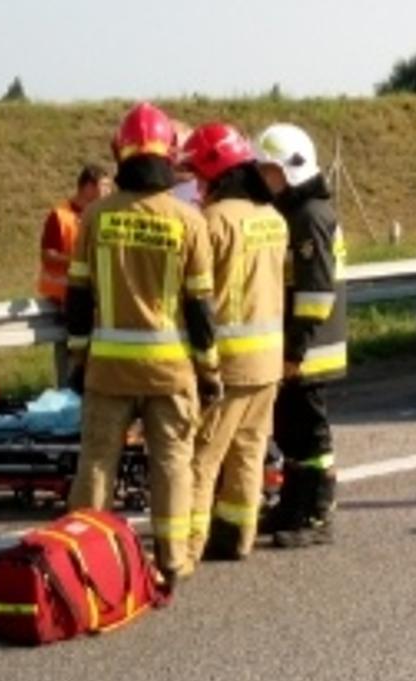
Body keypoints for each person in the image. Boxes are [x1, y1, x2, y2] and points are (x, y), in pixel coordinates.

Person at [67, 102, 221, 590]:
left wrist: (78, 358)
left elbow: (78, 297)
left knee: (97, 462)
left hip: (108, 370)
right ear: (170, 156)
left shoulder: (95, 216)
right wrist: (209, 370)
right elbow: (200, 308)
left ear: (120, 153)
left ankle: (83, 561)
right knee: (172, 463)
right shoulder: (189, 221)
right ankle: (171, 560)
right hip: (170, 371)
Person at [179, 123, 287, 563]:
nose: (196, 186)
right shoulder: (274, 219)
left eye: (198, 176)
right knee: (248, 453)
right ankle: (236, 537)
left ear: (216, 173)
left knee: (202, 458)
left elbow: (196, 295)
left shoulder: (213, 222)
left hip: (227, 364)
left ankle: (185, 548)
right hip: (268, 362)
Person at [256, 123, 349, 547]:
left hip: (311, 349)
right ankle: (292, 508)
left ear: (291, 169)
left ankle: (316, 516)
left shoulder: (310, 216)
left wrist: (295, 350)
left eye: (270, 171)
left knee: (312, 435)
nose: (264, 178)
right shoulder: (294, 212)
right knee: (290, 431)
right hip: (298, 346)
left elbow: (315, 292)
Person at [38, 164, 111, 385]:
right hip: (64, 298)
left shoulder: (100, 216)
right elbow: (48, 255)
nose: (109, 191)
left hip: (93, 297)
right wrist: (77, 262)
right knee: (73, 355)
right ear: (88, 187)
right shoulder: (60, 216)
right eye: (105, 186)